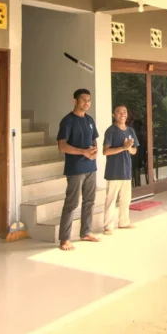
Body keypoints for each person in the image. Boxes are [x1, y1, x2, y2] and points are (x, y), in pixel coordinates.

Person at [56, 88, 100, 250]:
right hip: (75, 168)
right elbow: (62, 146)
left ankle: (85, 232)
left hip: (91, 167)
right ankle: (64, 239)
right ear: (75, 101)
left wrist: (94, 151)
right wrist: (83, 152)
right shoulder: (67, 121)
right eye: (83, 99)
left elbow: (94, 139)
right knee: (72, 203)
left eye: (88, 100)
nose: (86, 103)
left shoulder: (89, 119)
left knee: (89, 201)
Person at [101, 105, 140, 235]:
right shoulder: (110, 131)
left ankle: (124, 222)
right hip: (113, 171)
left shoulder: (130, 130)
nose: (122, 114)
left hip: (126, 170)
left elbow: (134, 151)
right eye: (119, 112)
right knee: (111, 200)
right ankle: (108, 226)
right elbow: (105, 151)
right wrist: (123, 148)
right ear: (114, 115)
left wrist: (128, 148)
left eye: (124, 111)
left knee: (126, 199)